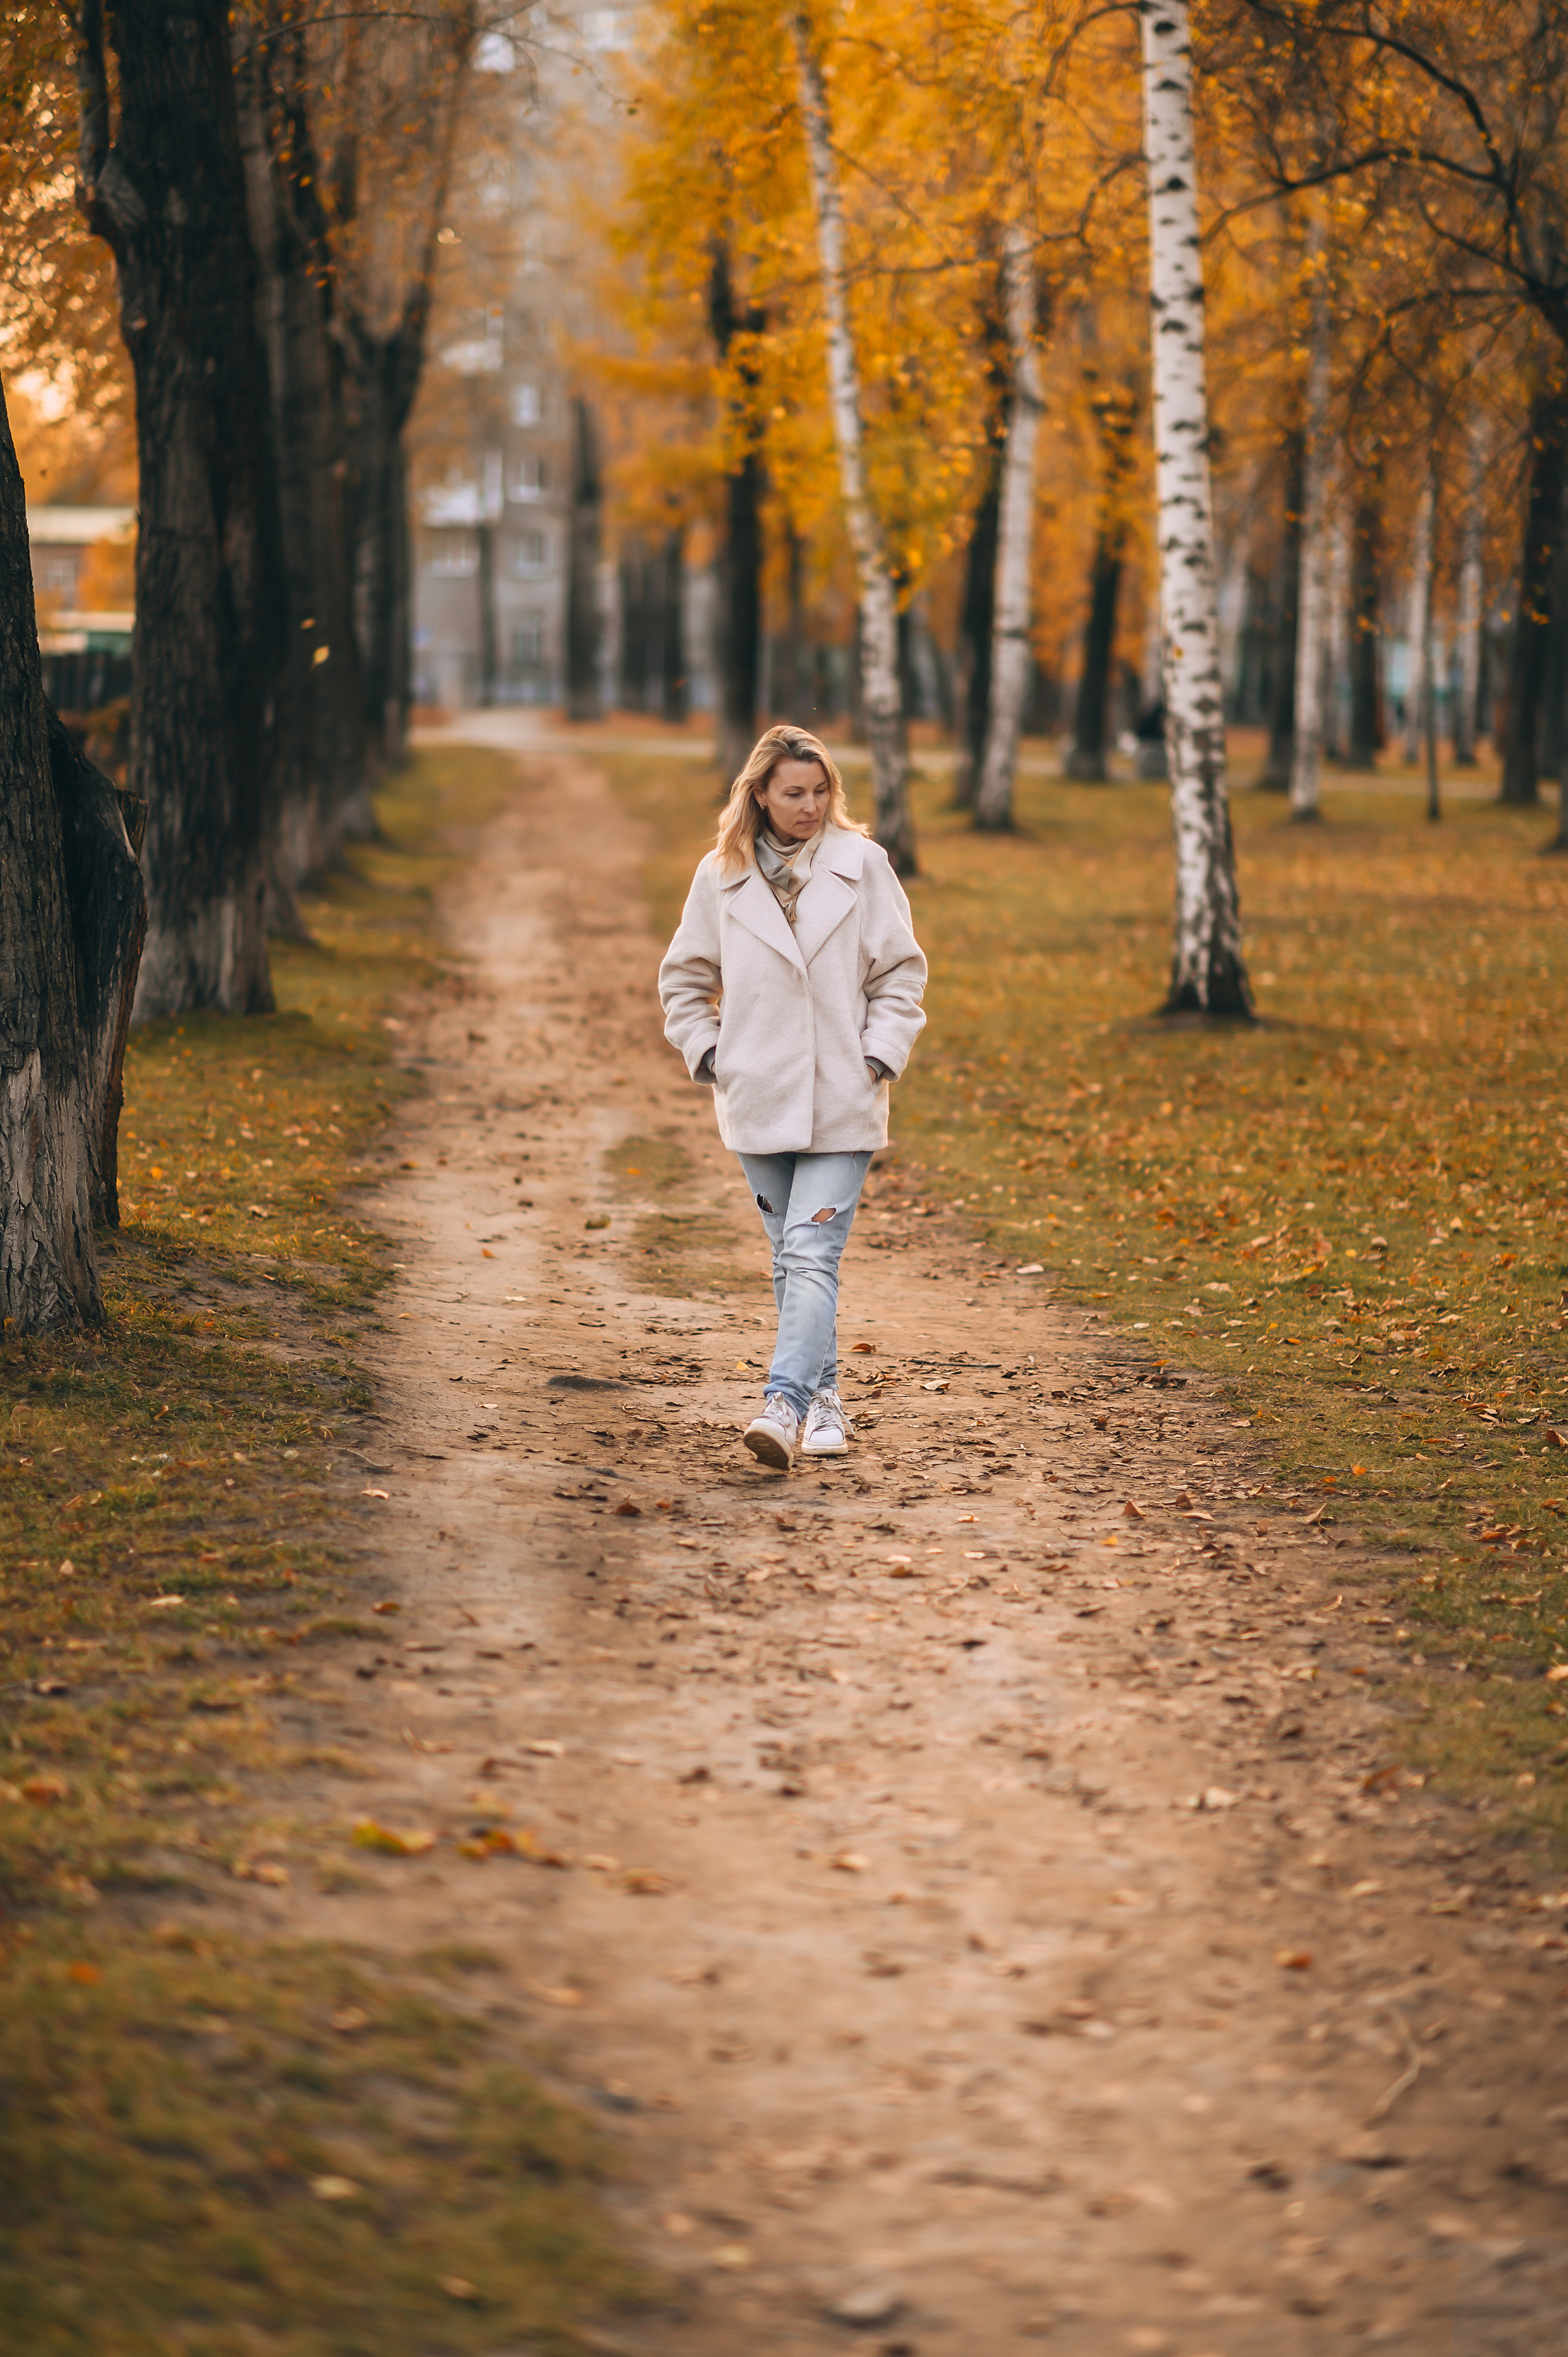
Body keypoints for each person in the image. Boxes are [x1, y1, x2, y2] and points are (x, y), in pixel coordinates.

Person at [658, 724, 927, 1471]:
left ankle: (782, 1403)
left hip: (843, 1097)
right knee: (790, 1258)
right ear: (760, 796)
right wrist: (714, 1053)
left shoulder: (862, 864)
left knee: (810, 1253)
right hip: (757, 1097)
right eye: (793, 793)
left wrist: (877, 1054)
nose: (810, 807)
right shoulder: (721, 873)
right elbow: (683, 979)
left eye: (820, 791)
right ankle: (827, 1398)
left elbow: (900, 972)